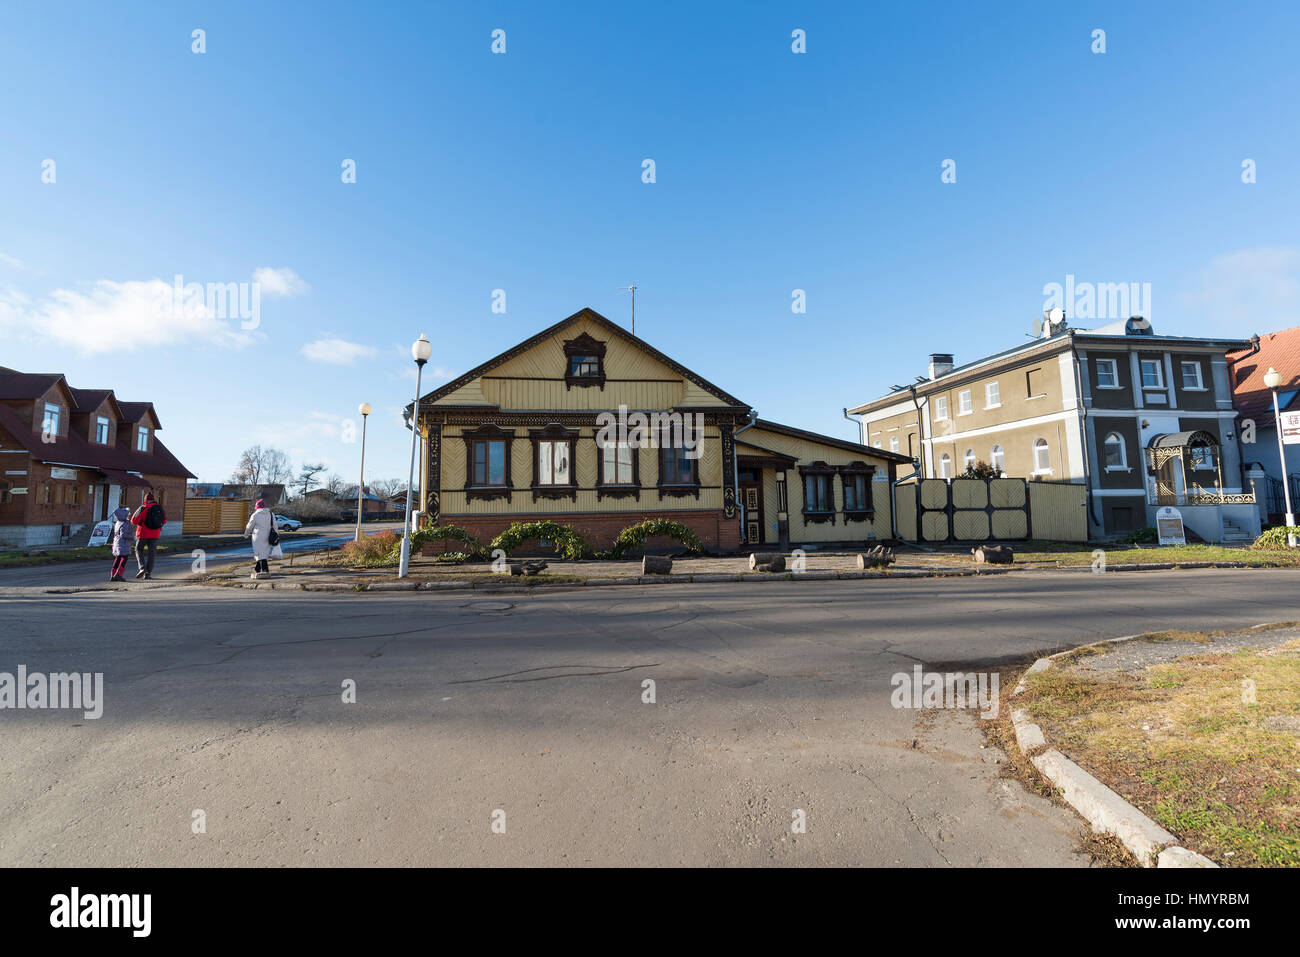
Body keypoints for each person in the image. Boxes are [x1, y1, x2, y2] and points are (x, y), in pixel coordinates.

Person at [130, 491, 166, 580]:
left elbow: (133, 520)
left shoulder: (143, 508)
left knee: (138, 549)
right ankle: (148, 574)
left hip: (143, 533)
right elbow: (164, 521)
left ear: (145, 499)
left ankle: (142, 568)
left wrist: (141, 522)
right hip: (155, 534)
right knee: (152, 553)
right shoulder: (160, 508)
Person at [244, 498, 276, 578]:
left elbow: (249, 526)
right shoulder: (271, 514)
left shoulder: (255, 515)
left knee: (259, 553)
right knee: (264, 553)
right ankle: (257, 570)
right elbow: (275, 525)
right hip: (268, 536)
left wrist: (246, 534)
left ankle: (265, 570)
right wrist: (276, 534)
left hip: (257, 536)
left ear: (257, 507)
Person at [108, 505, 134, 582]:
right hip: (123, 544)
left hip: (117, 543)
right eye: (127, 514)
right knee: (124, 558)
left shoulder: (117, 522)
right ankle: (119, 574)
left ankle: (113, 575)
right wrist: (133, 537)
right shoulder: (125, 523)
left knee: (118, 558)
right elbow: (124, 535)